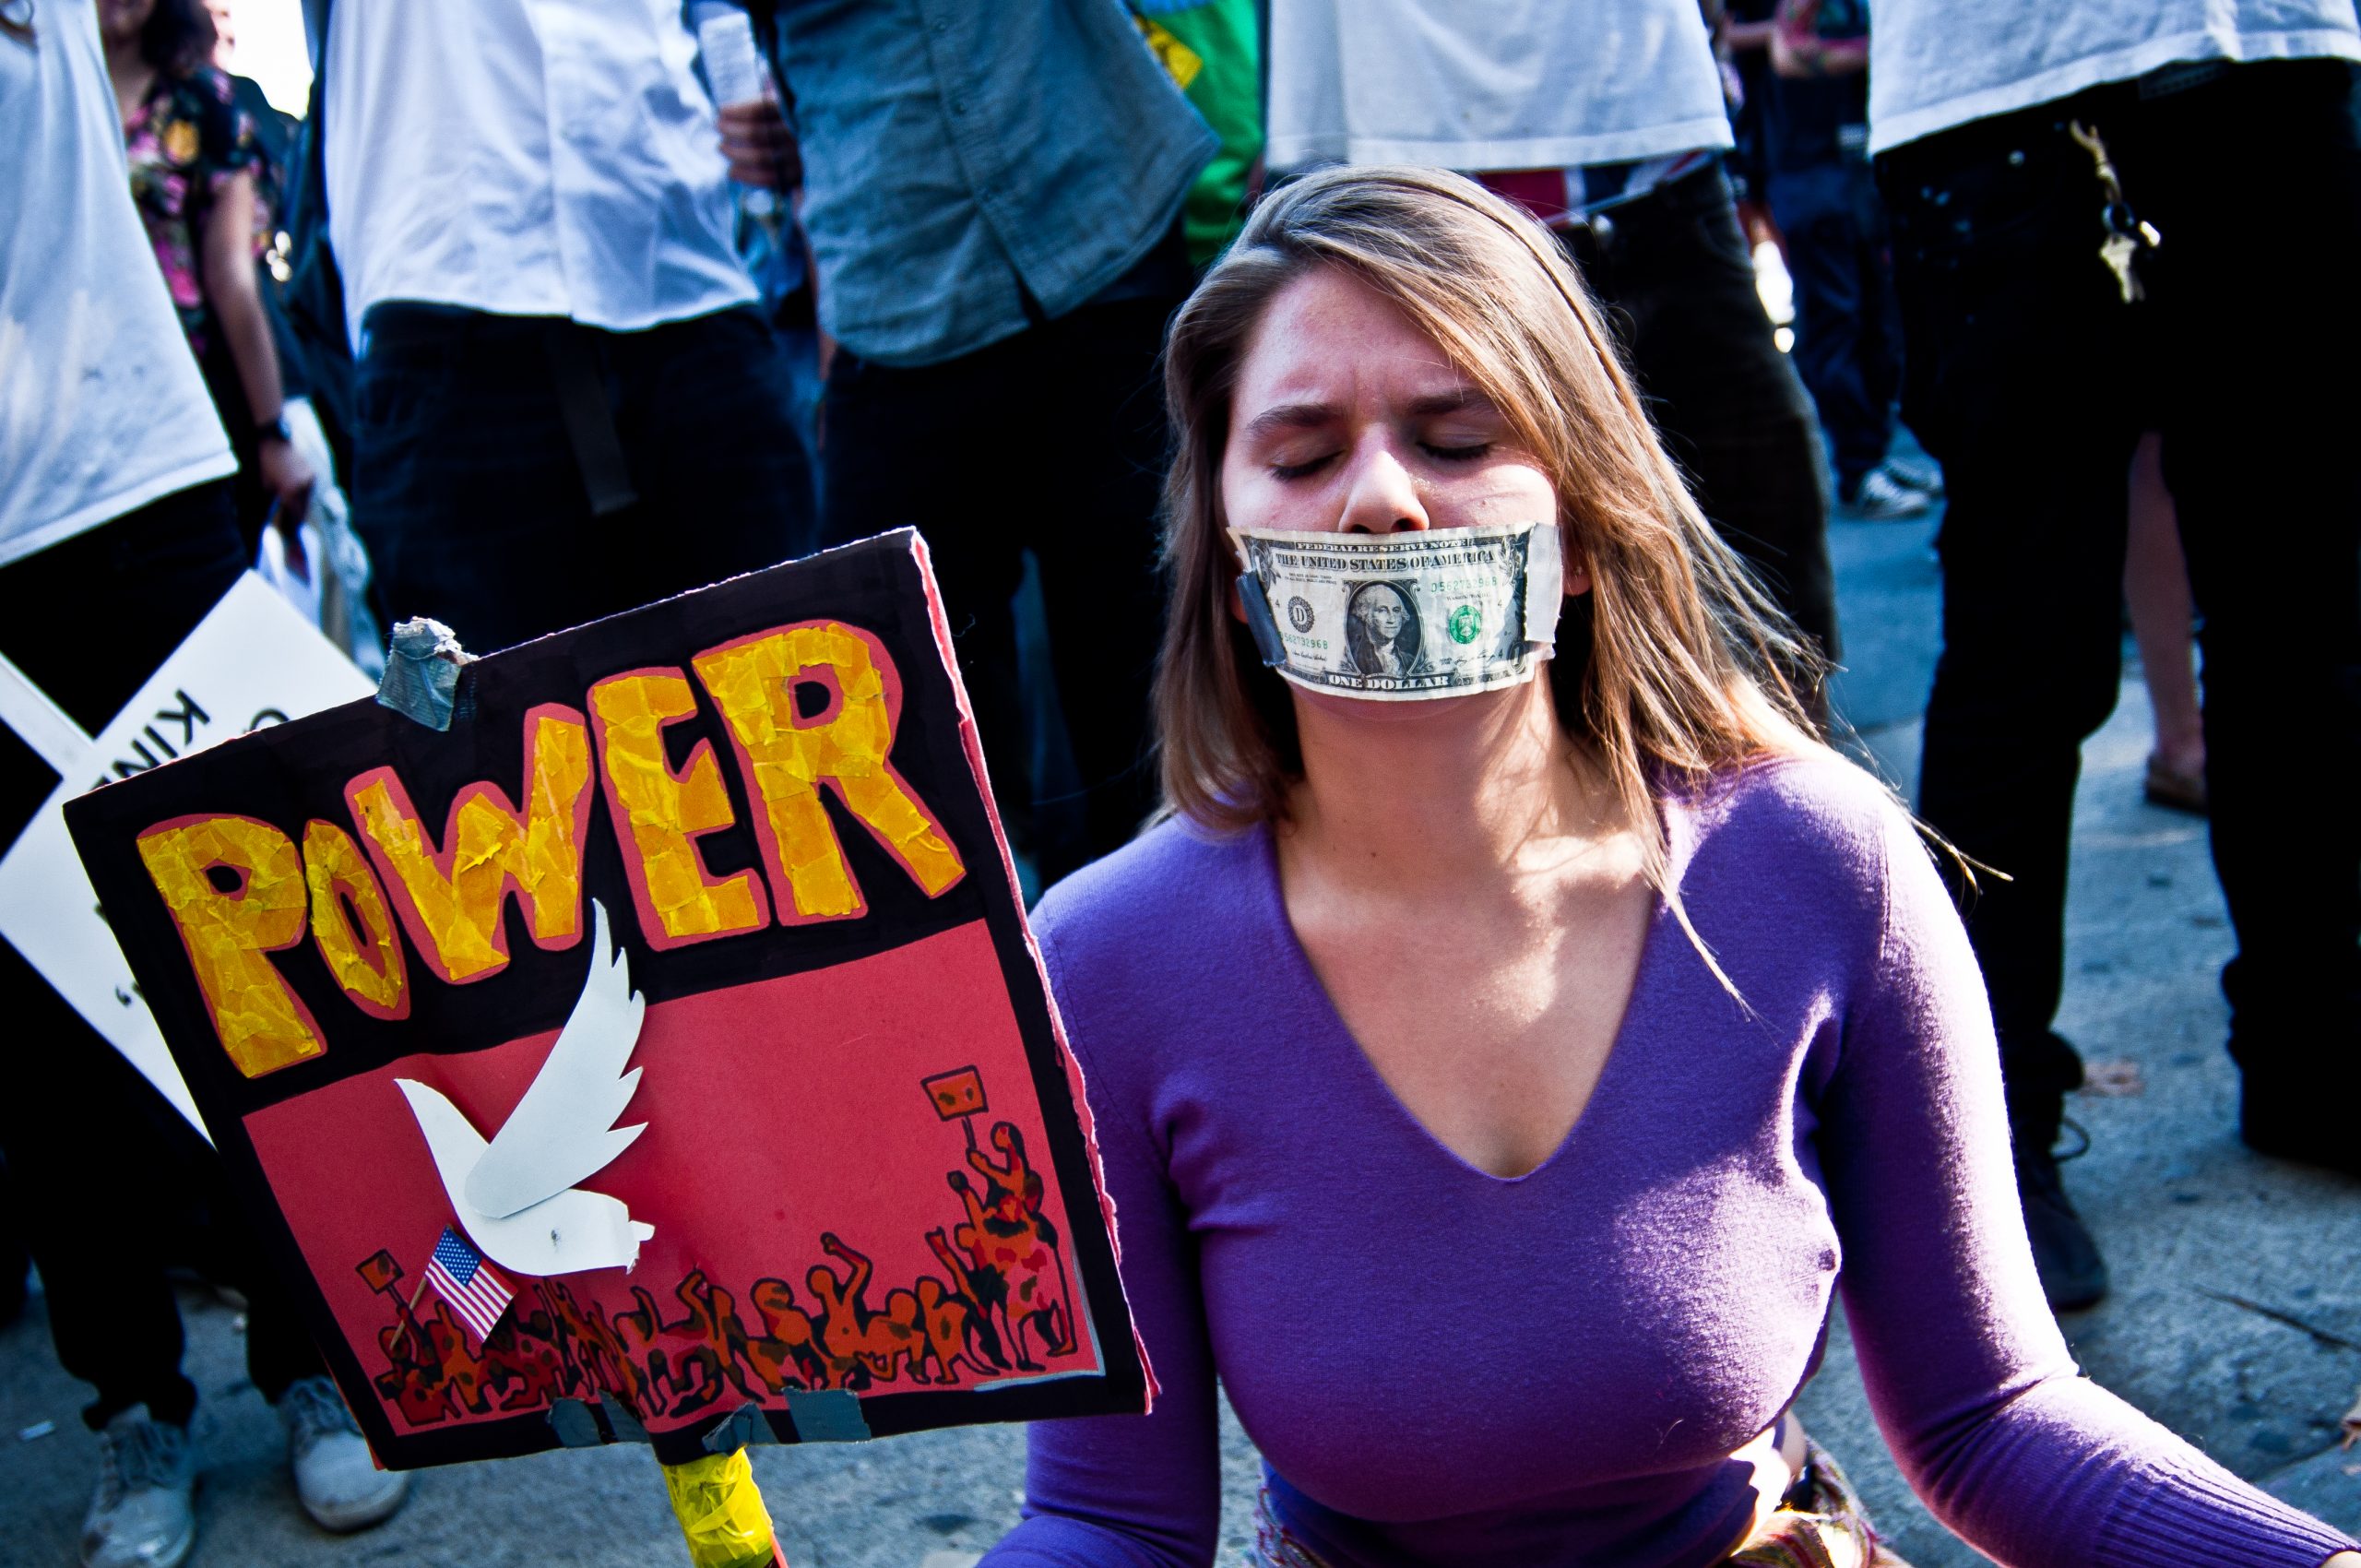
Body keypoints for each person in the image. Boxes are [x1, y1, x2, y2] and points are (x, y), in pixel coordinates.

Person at [970, 169, 2360, 1567]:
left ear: (1579, 526)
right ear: (1227, 554)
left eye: (1457, 436)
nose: (1382, 498)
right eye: (1302, 451)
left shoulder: (1821, 862)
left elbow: (1993, 1414)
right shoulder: (1105, 963)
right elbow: (1107, 1520)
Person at [1869, 2, 2361, 1309]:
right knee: (2030, 654)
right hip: (2007, 89)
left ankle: (2314, 1047)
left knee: (2306, 622)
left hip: (2273, 58)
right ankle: (1987, 1134)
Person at [0, 7, 406, 1564]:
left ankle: (321, 1360)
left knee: (254, 969)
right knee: (36, 1027)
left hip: (135, 493)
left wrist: (274, 430)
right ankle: (129, 1410)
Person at [1267, 0, 1845, 695]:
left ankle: (1783, 802)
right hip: (1406, 208)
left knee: (1767, 603)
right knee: (1479, 657)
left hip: (1652, 173)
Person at [765, 1, 1216, 887]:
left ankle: (1180, 970)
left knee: (1158, 696)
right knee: (905, 738)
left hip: (1101, 228)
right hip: (888, 285)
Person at [296, 0, 815, 657]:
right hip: (445, 296)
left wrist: (780, 89)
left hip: (683, 273)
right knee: (497, 742)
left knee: (788, 698)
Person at [101, 0, 313, 556]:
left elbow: (232, 277)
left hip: (198, 402)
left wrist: (273, 434)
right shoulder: (48, 103)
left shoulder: (200, 100)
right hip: (90, 410)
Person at [1725, 0, 1938, 520]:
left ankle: (1874, 456)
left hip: (1849, 156)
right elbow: (1783, 48)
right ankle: (1860, 469)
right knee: (1835, 319)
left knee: (1878, 321)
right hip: (1805, 165)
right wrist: (1885, 49)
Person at [1344, 583, 1425, 677]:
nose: (1392, 619)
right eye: (1382, 610)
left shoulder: (1409, 660)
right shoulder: (1354, 659)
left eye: (1396, 610)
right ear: (1366, 614)